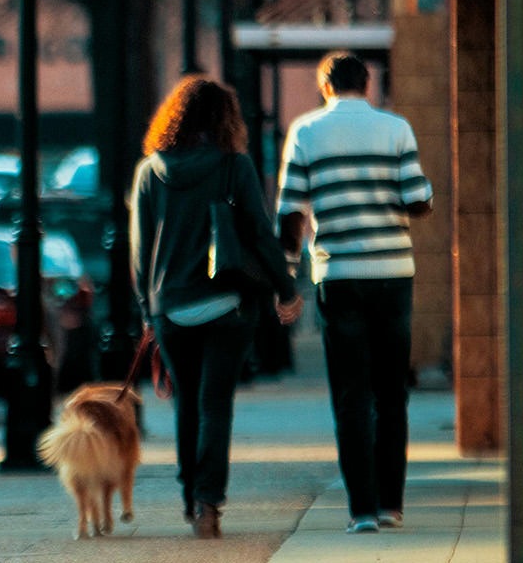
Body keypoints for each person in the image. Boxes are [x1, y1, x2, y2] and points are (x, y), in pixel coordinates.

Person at [129, 75, 301, 540]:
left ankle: (189, 496)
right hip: (227, 303)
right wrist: (286, 290)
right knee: (215, 405)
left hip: (172, 308)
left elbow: (140, 251)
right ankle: (209, 503)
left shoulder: (151, 171)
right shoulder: (234, 166)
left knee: (185, 404)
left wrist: (149, 309)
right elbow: (261, 236)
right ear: (226, 119)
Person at [276, 52, 434, 534]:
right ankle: (391, 504)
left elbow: (289, 215)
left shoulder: (305, 132)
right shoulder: (396, 128)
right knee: (391, 394)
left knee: (350, 395)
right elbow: (418, 200)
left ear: (325, 86)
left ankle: (361, 510)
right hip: (392, 273)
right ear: (367, 85)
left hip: (338, 275)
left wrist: (286, 280)